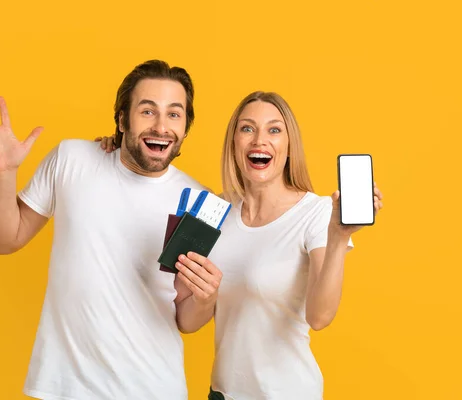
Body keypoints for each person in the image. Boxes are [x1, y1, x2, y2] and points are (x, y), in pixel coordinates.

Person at [0, 59, 223, 400]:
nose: (161, 126)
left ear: (186, 126)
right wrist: (3, 173)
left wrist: (207, 297)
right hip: (64, 386)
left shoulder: (199, 203)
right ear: (122, 119)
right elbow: (4, 239)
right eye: (147, 111)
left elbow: (187, 321)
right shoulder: (72, 158)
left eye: (174, 114)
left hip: (153, 388)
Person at [97, 91, 384, 399]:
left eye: (274, 130)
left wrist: (339, 236)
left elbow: (320, 317)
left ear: (289, 147)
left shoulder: (315, 213)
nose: (260, 140)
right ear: (234, 144)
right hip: (221, 393)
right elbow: (187, 321)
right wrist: (120, 150)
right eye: (247, 129)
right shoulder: (214, 210)